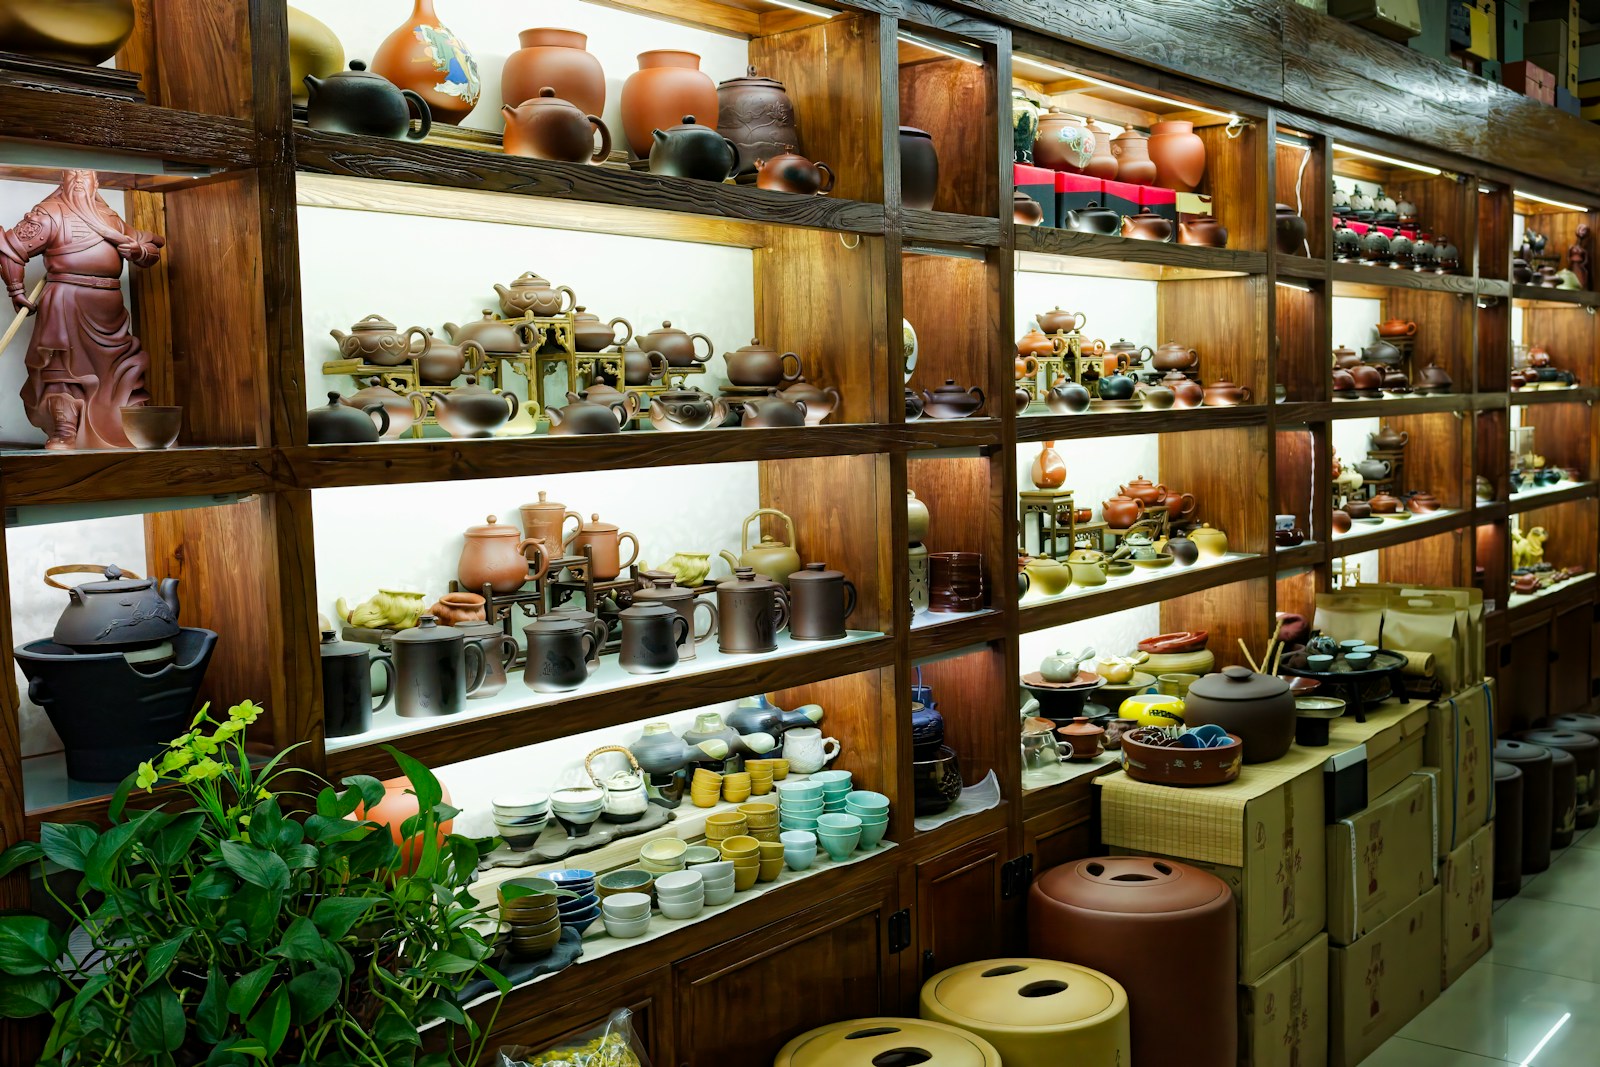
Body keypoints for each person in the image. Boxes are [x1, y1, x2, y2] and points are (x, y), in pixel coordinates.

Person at [0, 169, 164, 449]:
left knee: (120, 368)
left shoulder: (110, 218)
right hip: (66, 302)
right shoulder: (49, 213)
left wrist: (138, 251)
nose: (78, 179)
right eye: (72, 174)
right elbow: (9, 248)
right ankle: (64, 429)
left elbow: (152, 246)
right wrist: (16, 290)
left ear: (96, 182)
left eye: (84, 174)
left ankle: (129, 425)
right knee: (62, 369)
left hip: (109, 308)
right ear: (62, 180)